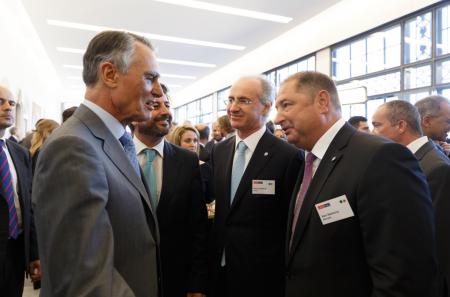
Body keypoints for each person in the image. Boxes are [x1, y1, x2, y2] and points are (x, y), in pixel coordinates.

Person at [275, 71, 437, 297]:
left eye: (286, 105)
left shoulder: (381, 157)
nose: (277, 118)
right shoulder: (309, 161)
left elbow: (403, 273)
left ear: (322, 102)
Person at [32, 31, 163, 297]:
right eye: (150, 78)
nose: (158, 91)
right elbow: (85, 280)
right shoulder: (73, 147)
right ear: (110, 74)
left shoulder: (116, 140)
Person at [209, 76, 303, 297]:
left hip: (263, 276)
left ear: (267, 107)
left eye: (244, 101)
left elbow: (291, 223)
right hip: (220, 271)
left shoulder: (288, 156)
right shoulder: (219, 151)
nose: (233, 107)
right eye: (230, 100)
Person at [133, 87, 208, 297]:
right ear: (134, 112)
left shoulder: (187, 160)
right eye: (156, 105)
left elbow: (197, 227)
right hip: (126, 282)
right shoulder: (115, 155)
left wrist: (197, 282)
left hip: (175, 280)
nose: (166, 112)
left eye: (167, 105)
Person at [372, 100, 450, 297]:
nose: (373, 132)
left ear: (400, 126)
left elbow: (438, 241)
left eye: (377, 125)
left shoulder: (436, 167)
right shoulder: (404, 159)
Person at [0, 85, 40, 296]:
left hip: (16, 253)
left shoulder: (20, 153)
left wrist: (33, 253)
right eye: (1, 102)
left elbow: (29, 206)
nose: (8, 107)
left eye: (12, 103)